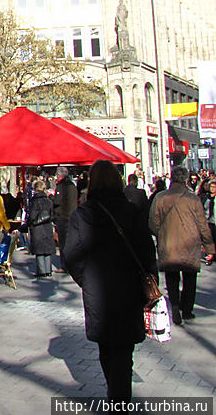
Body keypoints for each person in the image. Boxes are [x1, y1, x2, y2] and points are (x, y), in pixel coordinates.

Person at [64, 160, 156, 404]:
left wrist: (87, 280)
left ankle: (116, 394)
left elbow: (71, 256)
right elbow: (147, 251)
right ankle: (120, 396)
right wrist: (149, 279)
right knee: (124, 350)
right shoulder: (131, 211)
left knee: (107, 348)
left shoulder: (82, 215)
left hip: (99, 292)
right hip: (128, 289)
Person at [148, 167, 215, 324]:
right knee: (190, 277)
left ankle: (176, 306)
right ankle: (187, 310)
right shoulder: (193, 199)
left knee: (172, 277)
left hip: (168, 243)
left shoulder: (160, 197)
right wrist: (210, 246)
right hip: (190, 244)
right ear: (185, 179)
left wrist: (161, 234)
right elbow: (202, 224)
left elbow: (152, 222)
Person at [27, 180, 56, 278]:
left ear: (35, 189)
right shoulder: (49, 201)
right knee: (47, 250)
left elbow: (32, 216)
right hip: (47, 227)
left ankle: (41, 271)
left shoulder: (34, 201)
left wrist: (30, 222)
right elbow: (52, 215)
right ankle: (48, 270)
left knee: (39, 251)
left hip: (37, 228)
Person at [53, 166, 78, 273]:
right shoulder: (72, 185)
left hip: (63, 217)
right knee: (71, 242)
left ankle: (65, 266)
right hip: (72, 216)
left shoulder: (61, 186)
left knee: (63, 243)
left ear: (59, 175)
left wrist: (51, 198)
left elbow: (57, 201)